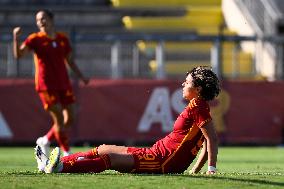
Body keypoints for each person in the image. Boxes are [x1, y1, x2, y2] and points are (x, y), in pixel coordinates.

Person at [36, 66, 220, 174]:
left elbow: (211, 139)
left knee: (110, 159)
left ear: (198, 89)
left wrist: (210, 169)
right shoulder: (198, 106)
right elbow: (205, 141)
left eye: (187, 82)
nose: (183, 84)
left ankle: (60, 168)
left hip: (162, 161)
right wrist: (196, 171)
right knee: (103, 148)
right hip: (155, 152)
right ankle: (56, 164)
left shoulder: (198, 106)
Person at [13, 9, 89, 161]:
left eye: (43, 18)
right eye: (38, 20)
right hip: (45, 85)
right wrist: (15, 38)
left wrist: (81, 77)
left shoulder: (62, 39)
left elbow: (70, 61)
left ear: (51, 19)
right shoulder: (34, 39)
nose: (40, 22)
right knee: (59, 119)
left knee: (71, 118)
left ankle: (45, 140)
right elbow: (19, 55)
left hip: (63, 83)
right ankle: (67, 152)